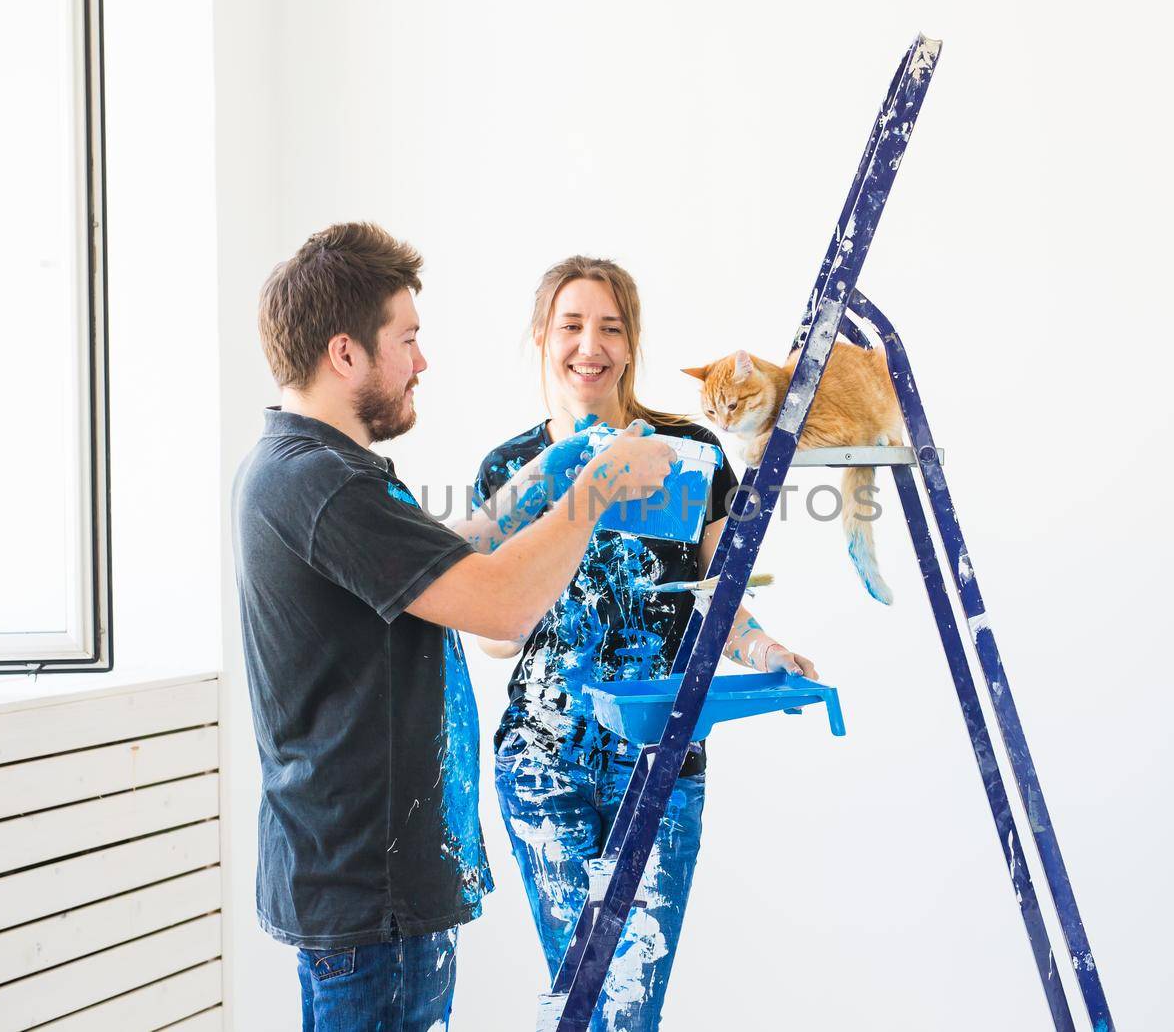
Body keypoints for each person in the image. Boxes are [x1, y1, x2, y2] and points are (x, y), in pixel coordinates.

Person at [232, 224, 674, 1032]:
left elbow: (456, 552)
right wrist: (600, 488)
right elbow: (499, 603)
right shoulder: (322, 485)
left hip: (380, 890)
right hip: (372, 898)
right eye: (407, 340)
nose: (421, 362)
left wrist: (544, 475)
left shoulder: (326, 472)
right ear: (345, 354)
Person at [471, 257, 820, 1030]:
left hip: (658, 762)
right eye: (570, 325)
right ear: (541, 337)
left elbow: (721, 603)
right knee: (578, 998)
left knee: (628, 1007)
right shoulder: (512, 469)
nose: (589, 344)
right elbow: (494, 636)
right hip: (540, 763)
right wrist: (549, 544)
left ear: (632, 345)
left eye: (610, 326)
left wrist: (769, 655)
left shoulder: (690, 452)